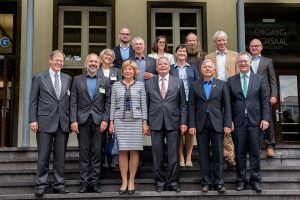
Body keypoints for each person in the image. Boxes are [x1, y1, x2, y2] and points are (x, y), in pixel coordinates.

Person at [29, 50, 72, 196]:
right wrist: (33, 120)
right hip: (44, 121)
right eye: (57, 60)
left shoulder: (68, 78)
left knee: (60, 157)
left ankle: (59, 184)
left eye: (61, 61)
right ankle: (41, 184)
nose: (59, 63)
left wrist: (71, 120)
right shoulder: (39, 77)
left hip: (62, 123)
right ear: (50, 60)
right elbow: (33, 101)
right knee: (43, 156)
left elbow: (69, 101)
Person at [227, 52, 270, 192]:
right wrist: (229, 121)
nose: (243, 64)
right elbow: (227, 104)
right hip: (238, 122)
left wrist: (265, 118)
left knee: (255, 153)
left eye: (245, 61)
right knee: (239, 153)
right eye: (241, 62)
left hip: (255, 121)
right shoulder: (231, 80)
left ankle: (255, 180)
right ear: (237, 64)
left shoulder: (259, 79)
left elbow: (264, 100)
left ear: (250, 62)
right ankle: (240, 181)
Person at [145, 56, 188, 193]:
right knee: (157, 154)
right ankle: (160, 182)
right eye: (160, 64)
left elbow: (183, 104)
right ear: (156, 68)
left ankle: (173, 182)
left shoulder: (178, 82)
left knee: (173, 154)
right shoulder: (149, 82)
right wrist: (145, 123)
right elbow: (146, 104)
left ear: (169, 67)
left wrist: (183, 122)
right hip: (155, 121)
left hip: (173, 122)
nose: (163, 66)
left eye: (165, 64)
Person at [189, 59, 231, 193]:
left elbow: (227, 107)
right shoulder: (194, 85)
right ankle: (206, 182)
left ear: (214, 70)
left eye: (209, 67)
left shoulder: (222, 85)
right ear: (201, 70)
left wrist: (227, 124)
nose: (207, 69)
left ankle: (219, 182)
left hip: (217, 123)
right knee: (203, 155)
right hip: (201, 124)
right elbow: (191, 106)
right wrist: (192, 124)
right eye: (205, 67)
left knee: (218, 154)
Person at [70, 53, 111, 193]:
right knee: (84, 152)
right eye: (90, 61)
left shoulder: (105, 80)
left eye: (95, 61)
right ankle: (84, 183)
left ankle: (95, 183)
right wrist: (73, 120)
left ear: (99, 64)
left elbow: (108, 102)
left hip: (99, 121)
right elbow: (73, 102)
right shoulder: (77, 80)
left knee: (96, 152)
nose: (93, 64)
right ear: (85, 64)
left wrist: (106, 119)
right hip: (81, 120)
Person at [109, 59, 148, 195]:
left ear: (135, 71)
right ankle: (124, 181)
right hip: (120, 120)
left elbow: (144, 105)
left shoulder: (140, 85)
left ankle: (131, 180)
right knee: (123, 151)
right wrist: (111, 122)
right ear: (122, 71)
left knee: (134, 150)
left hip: (136, 120)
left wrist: (144, 122)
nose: (127, 71)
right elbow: (112, 104)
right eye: (125, 69)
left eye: (130, 69)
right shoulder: (115, 85)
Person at [205, 30, 238, 167]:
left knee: (229, 122)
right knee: (218, 122)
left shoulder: (235, 55)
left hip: (230, 91)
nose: (222, 42)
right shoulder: (209, 56)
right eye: (219, 40)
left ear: (227, 40)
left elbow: (237, 73)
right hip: (215, 93)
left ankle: (230, 155)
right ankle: (221, 153)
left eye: (224, 40)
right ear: (215, 42)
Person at [170, 44, 200, 167]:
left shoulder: (192, 68)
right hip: (175, 103)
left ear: (186, 54)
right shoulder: (171, 68)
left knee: (190, 131)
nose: (182, 52)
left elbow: (198, 83)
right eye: (179, 51)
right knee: (177, 130)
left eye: (184, 51)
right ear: (176, 54)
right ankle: (180, 157)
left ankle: (188, 157)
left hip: (190, 102)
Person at [249, 38, 278, 158]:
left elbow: (273, 80)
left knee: (268, 119)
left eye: (257, 46)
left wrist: (274, 95)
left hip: (265, 95)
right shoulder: (246, 61)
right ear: (249, 48)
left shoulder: (268, 61)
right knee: (253, 119)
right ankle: (256, 145)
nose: (254, 47)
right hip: (250, 95)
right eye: (252, 46)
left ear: (261, 47)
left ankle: (270, 146)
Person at [98, 48, 122, 168]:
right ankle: (102, 160)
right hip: (99, 107)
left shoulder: (117, 71)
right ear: (102, 56)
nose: (108, 56)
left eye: (111, 55)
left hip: (115, 106)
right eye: (106, 54)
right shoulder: (96, 71)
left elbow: (122, 87)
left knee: (113, 133)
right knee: (101, 135)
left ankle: (112, 159)